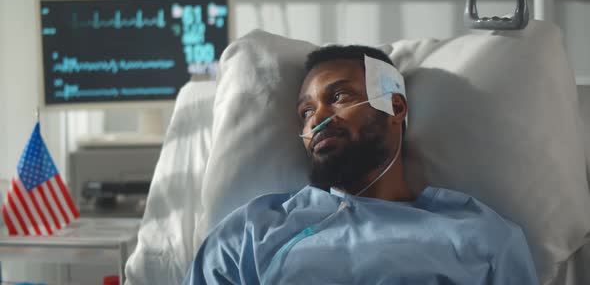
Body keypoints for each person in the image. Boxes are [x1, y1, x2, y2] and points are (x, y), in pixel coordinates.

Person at [182, 45, 539, 284]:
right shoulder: (252, 232)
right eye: (306, 112)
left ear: (395, 107)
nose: (317, 119)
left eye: (337, 97)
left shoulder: (480, 236)